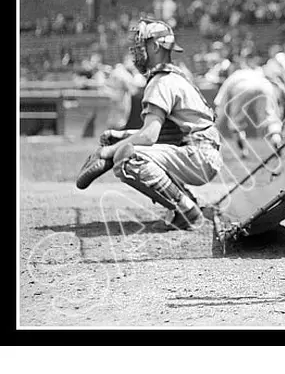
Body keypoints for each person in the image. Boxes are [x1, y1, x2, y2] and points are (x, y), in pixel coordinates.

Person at [75, 19, 222, 231]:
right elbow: (168, 133)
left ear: (154, 47)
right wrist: (121, 135)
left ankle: (186, 211)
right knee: (123, 144)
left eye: (140, 45)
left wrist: (109, 151)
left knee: (128, 156)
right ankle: (189, 203)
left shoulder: (161, 81)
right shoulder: (175, 75)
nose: (136, 51)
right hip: (201, 151)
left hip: (198, 156)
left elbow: (149, 137)